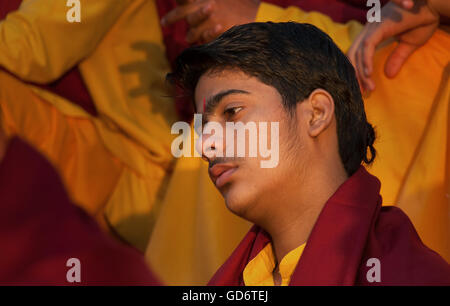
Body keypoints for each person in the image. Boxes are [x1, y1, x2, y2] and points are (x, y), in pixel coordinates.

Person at [147, 0, 450, 285]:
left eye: (232, 112)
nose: (205, 147)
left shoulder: (410, 275)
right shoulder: (240, 276)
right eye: (202, 129)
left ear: (316, 113)